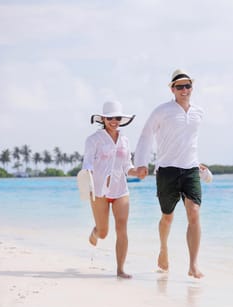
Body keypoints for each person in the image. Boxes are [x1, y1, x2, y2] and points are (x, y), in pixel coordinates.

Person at [134, 69, 205, 279]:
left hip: (190, 169)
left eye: (188, 86)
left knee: (194, 213)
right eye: (179, 86)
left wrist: (198, 163)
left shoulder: (198, 112)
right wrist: (140, 163)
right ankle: (164, 249)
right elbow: (146, 135)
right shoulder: (162, 111)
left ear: (192, 87)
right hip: (166, 170)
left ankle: (193, 265)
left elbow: (191, 141)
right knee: (168, 216)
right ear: (172, 89)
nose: (184, 90)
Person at [82, 100, 138, 279]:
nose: (114, 121)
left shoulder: (125, 140)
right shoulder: (93, 140)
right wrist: (88, 174)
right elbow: (88, 162)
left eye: (117, 118)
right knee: (104, 232)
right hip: (99, 191)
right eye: (110, 118)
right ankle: (96, 231)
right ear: (103, 119)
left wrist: (138, 171)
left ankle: (120, 270)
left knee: (122, 228)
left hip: (121, 190)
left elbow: (128, 166)